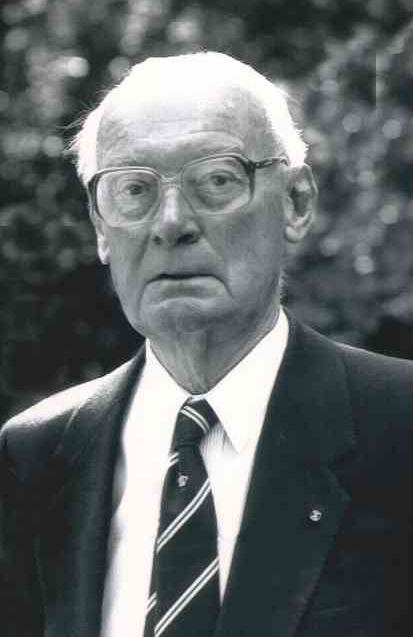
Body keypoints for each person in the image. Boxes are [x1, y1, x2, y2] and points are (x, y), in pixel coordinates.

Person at [1, 52, 412, 637]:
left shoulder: (398, 427)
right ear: (99, 228)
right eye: (134, 189)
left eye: (217, 180)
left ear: (296, 202)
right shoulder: (34, 457)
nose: (171, 222)